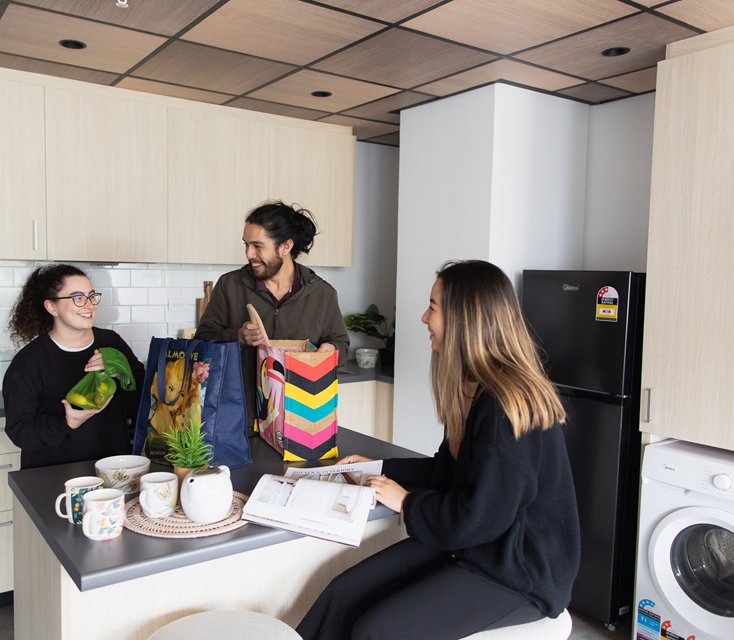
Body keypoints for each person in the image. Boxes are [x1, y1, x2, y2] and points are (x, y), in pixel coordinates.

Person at [296, 260, 580, 640]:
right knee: (340, 595)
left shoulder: (502, 407)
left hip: (517, 571)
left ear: (465, 319)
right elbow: (450, 474)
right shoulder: (475, 388)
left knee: (375, 632)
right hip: (476, 546)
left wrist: (406, 502)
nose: (424, 317)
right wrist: (380, 468)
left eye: (434, 306)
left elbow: (478, 517)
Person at [195, 200, 349, 427]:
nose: (249, 254)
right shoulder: (230, 285)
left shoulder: (322, 294)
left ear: (285, 247)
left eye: (257, 246)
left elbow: (341, 347)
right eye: (246, 244)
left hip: (300, 422)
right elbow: (202, 341)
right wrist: (238, 336)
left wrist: (330, 351)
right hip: (239, 421)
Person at [3, 264, 145, 469]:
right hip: (54, 474)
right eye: (78, 298)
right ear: (52, 307)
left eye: (92, 296)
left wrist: (121, 372)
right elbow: (20, 431)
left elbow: (141, 404)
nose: (90, 305)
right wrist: (67, 423)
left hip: (112, 469)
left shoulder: (111, 343)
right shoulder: (29, 362)